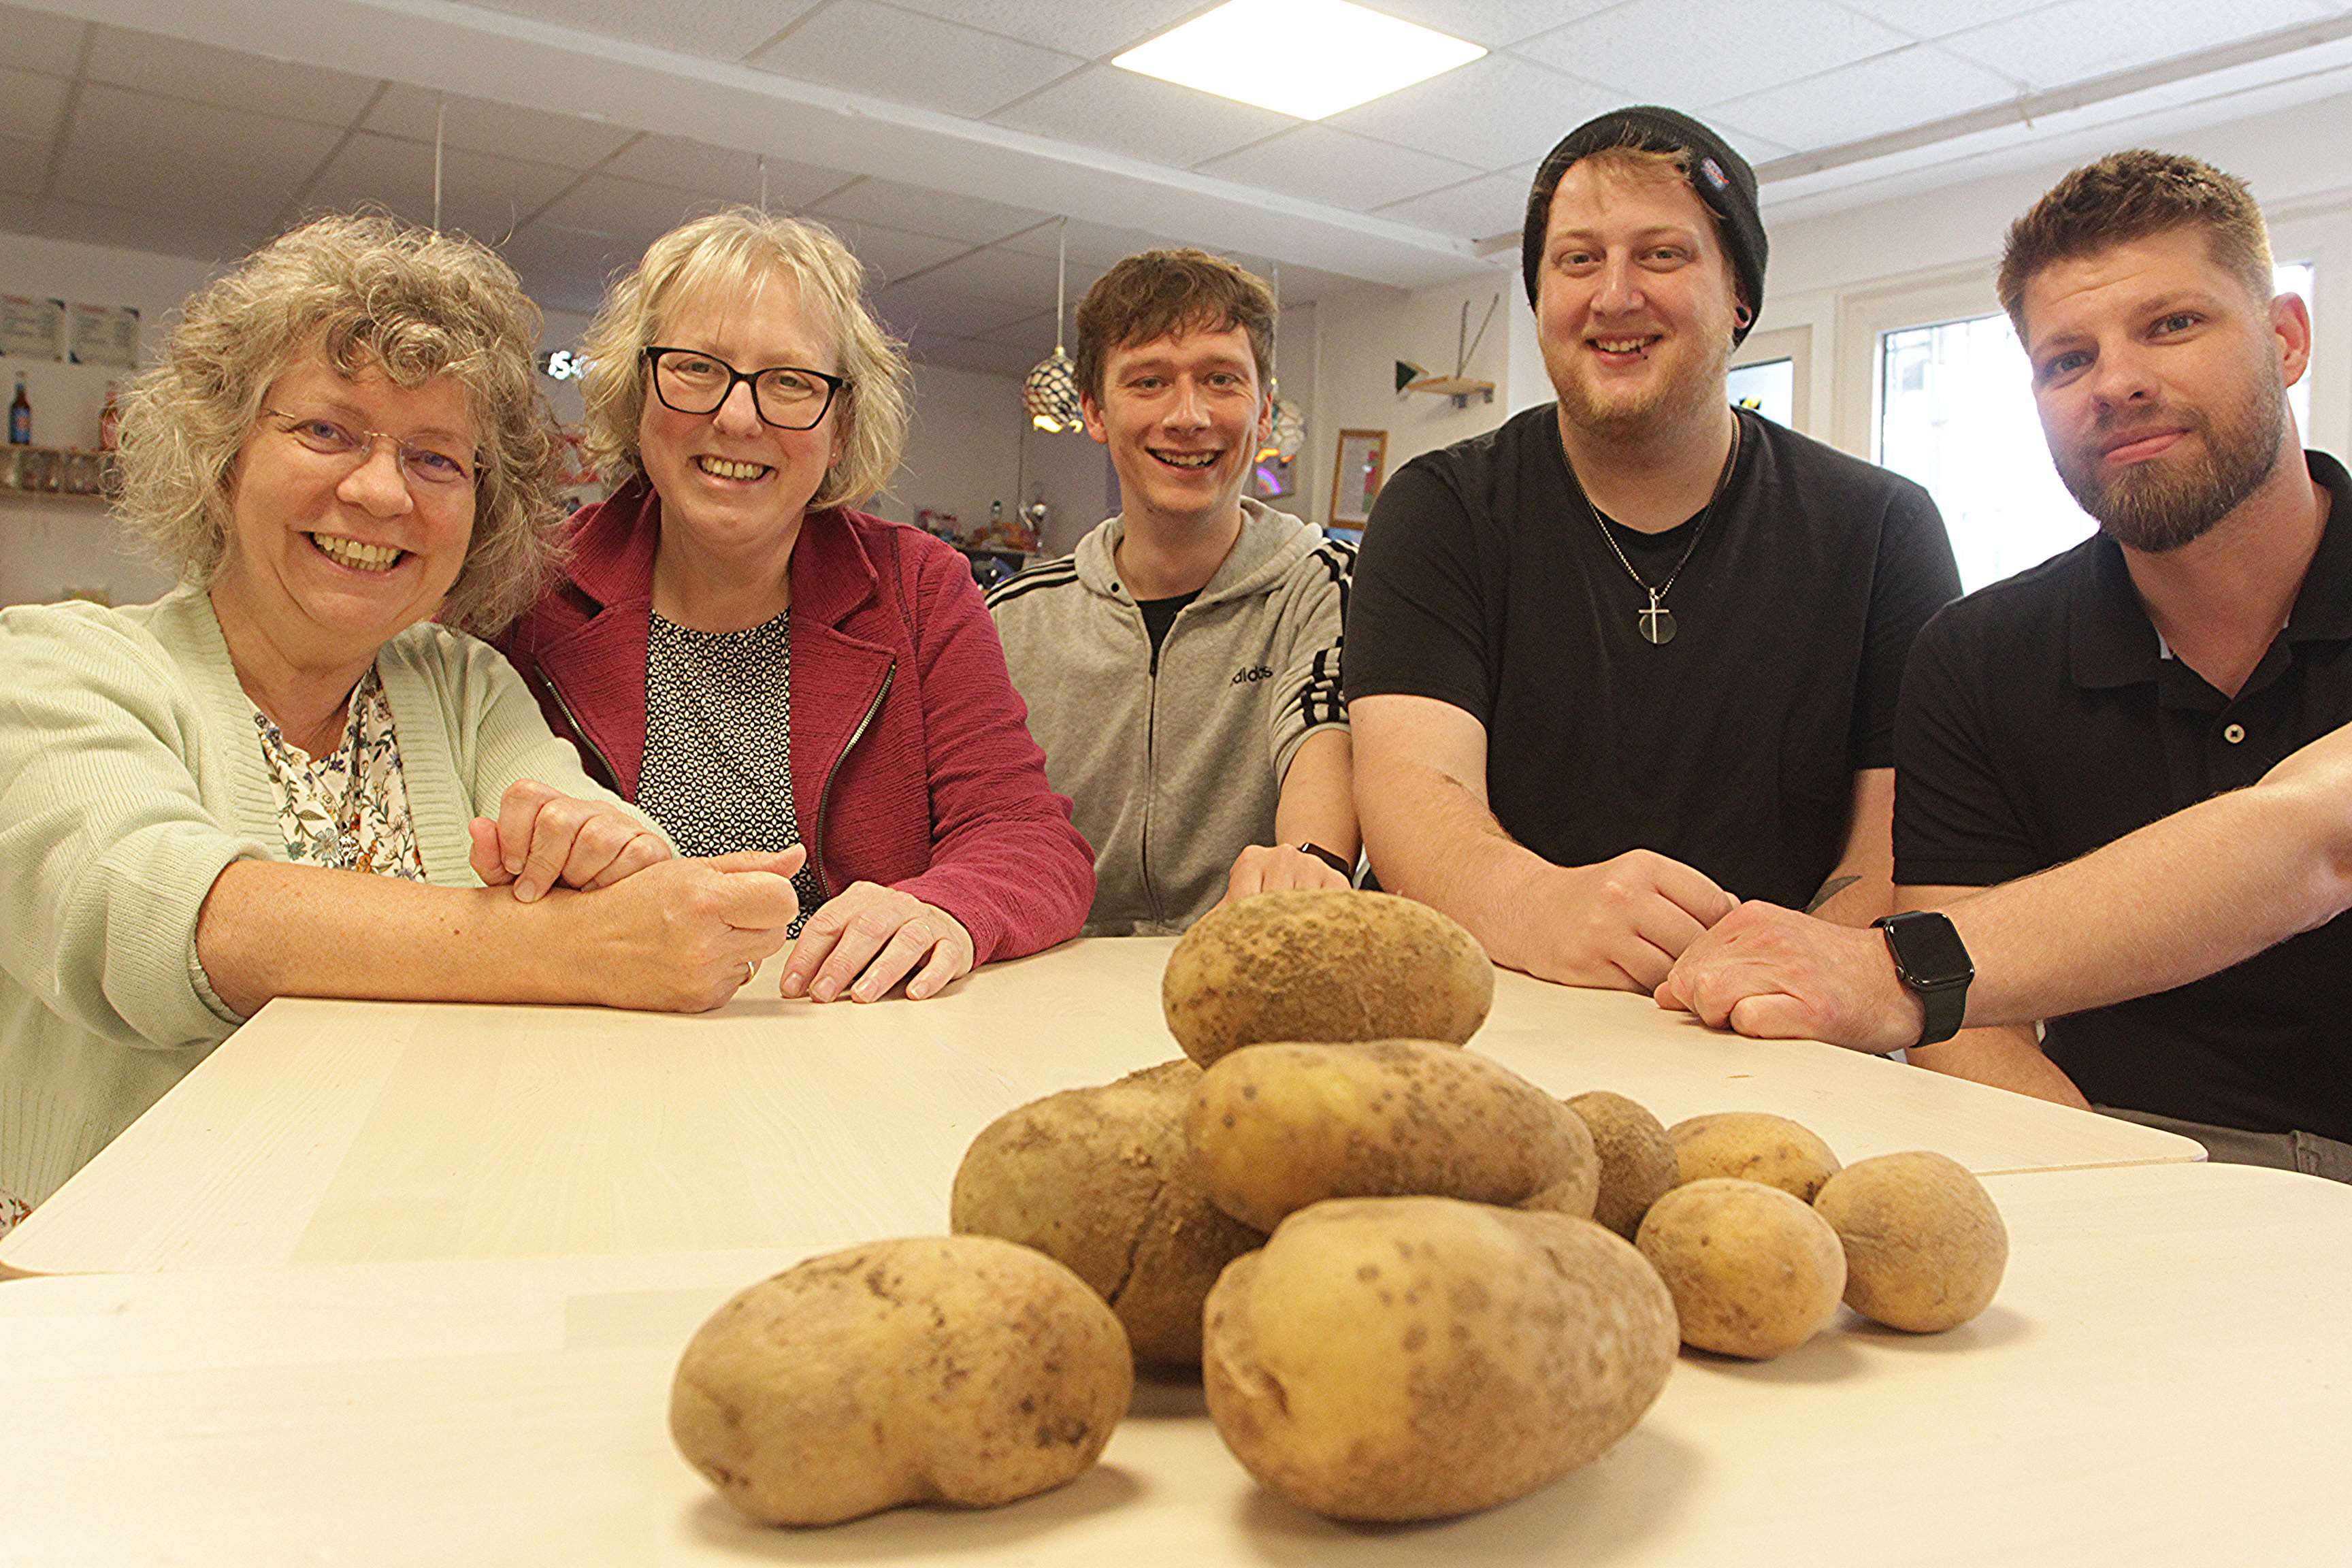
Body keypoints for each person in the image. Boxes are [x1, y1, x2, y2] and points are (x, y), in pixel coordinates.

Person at [0, 214, 810, 1220]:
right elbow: (150, 922)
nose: (381, 491)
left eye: (435, 459)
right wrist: (575, 946)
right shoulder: (54, 667)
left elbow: (601, 838)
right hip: (109, 1258)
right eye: (326, 431)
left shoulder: (462, 685)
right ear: (223, 454)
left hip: (411, 1220)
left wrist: (614, 858)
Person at [1659, 150, 2352, 1179]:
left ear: (2286, 339)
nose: (2117, 381)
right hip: (2121, 1149)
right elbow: (1969, 1026)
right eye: (2067, 360)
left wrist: (1883, 969)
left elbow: (2316, 837)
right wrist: (2152, 1204)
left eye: (2173, 324)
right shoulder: (1978, 658)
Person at [1345, 106, 1959, 992]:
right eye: (1577, 260)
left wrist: (1782, 973)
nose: (1614, 296)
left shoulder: (1882, 529)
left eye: (1662, 255)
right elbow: (1412, 794)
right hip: (1492, 1004)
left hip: (1776, 1029)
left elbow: (1894, 842)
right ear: (1541, 298)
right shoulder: (1440, 509)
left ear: (1740, 295)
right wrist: (1542, 906)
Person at [498, 209, 1092, 1003]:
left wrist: (944, 908)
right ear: (639, 394)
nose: (737, 418)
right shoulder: (527, 586)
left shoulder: (920, 588)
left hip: (847, 1030)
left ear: (840, 428)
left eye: (791, 382)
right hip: (589, 1027)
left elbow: (1029, 838)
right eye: (697, 368)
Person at [987, 249, 1356, 934]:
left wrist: (1308, 860)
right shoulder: (1010, 621)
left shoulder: (1329, 585)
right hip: (1051, 975)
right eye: (1149, 382)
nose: (1189, 416)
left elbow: (1323, 733)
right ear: (1095, 412)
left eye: (1221, 379)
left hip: (1249, 960)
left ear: (1264, 412)